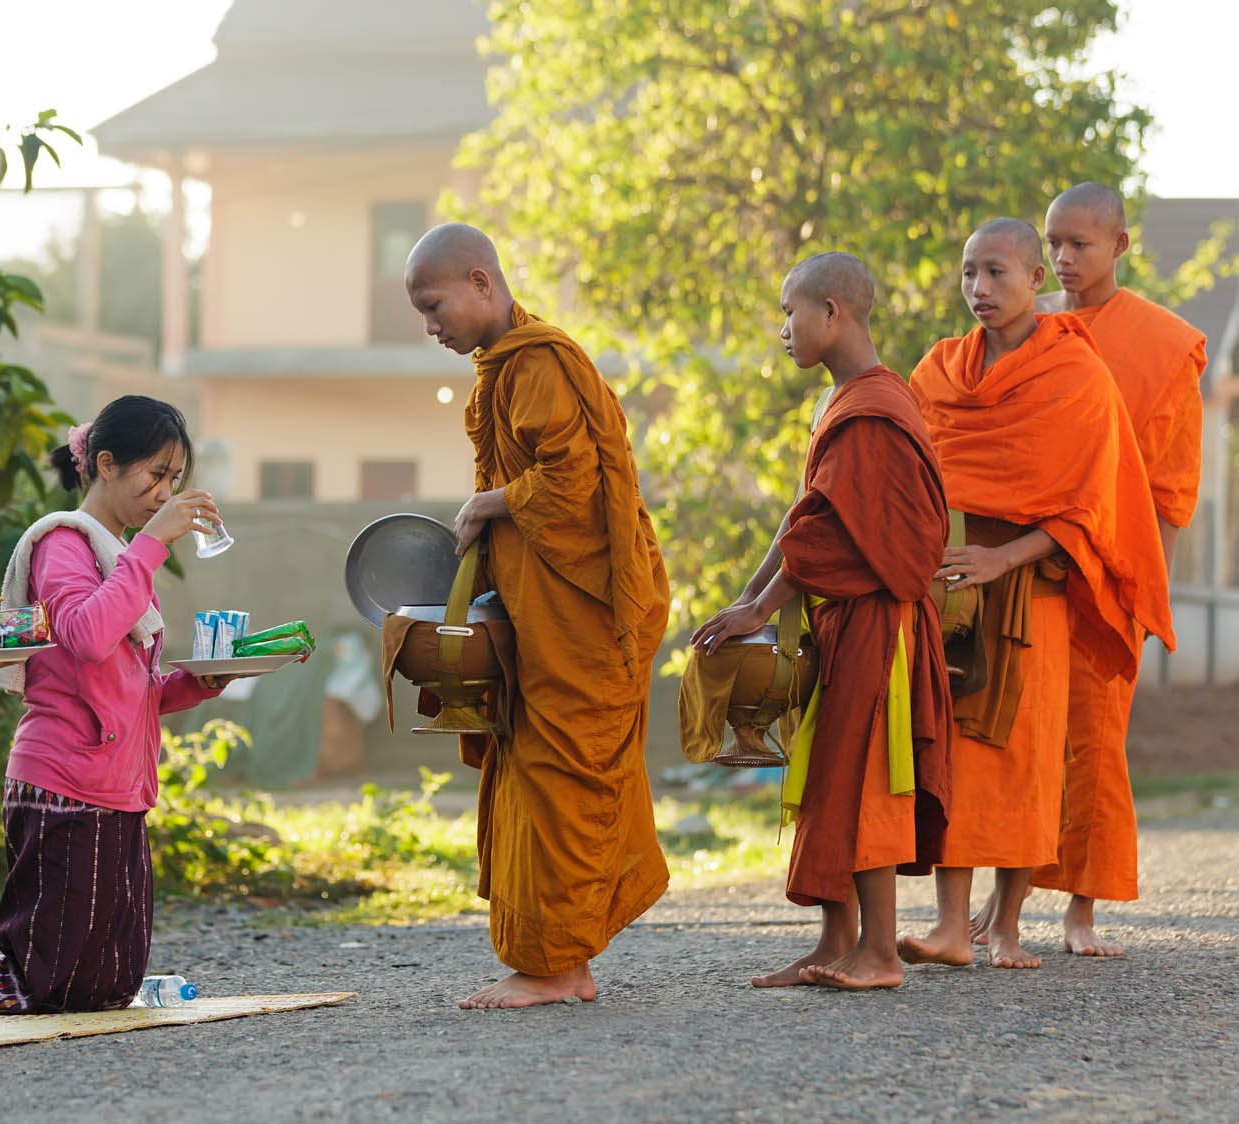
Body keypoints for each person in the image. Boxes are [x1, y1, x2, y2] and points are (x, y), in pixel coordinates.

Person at [0, 396, 236, 1015]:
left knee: (112, 982)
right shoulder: (66, 543)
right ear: (106, 463)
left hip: (119, 786)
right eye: (154, 474)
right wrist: (152, 545)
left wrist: (204, 680)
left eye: (174, 480)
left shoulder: (123, 558)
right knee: (48, 984)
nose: (165, 493)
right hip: (63, 783)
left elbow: (140, 689)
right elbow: (84, 633)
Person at [404, 222, 670, 1009]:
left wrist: (487, 503)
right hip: (546, 609)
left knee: (562, 776)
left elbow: (573, 488)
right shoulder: (503, 369)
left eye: (434, 304)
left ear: (482, 282)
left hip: (587, 611)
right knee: (534, 774)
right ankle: (560, 961)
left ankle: (556, 966)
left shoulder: (541, 365)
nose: (431, 326)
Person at [898, 220, 1172, 971]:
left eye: (995, 273)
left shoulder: (1074, 373)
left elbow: (1091, 501)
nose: (979, 290)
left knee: (1025, 758)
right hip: (955, 588)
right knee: (956, 754)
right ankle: (952, 927)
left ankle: (1009, 929)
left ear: (1032, 281)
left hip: (1035, 589)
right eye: (967, 274)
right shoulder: (940, 369)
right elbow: (914, 471)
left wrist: (1004, 557)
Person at [693, 253, 951, 990]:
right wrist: (751, 602)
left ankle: (879, 954)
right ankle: (835, 939)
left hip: (878, 623)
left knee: (863, 772)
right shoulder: (837, 403)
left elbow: (846, 536)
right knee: (827, 774)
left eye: (789, 311)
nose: (781, 329)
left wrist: (764, 606)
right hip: (838, 621)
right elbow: (804, 517)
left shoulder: (878, 407)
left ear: (833, 312)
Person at [1021, 183, 1206, 956]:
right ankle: (997, 909)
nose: (1063, 258)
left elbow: (1168, 488)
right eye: (1053, 244)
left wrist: (1144, 589)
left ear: (1119, 247)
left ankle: (1081, 912)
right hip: (1024, 565)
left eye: (1080, 244)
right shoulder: (1021, 332)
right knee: (1016, 732)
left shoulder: (1163, 345)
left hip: (1112, 571)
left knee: (1096, 740)